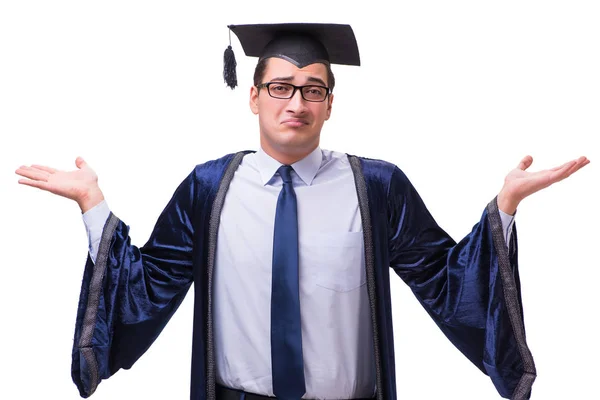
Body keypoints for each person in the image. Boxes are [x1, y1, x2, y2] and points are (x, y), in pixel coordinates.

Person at [15, 23, 589, 400]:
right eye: (282, 87)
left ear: (330, 104)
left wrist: (505, 207)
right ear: (254, 95)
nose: (297, 102)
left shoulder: (378, 187)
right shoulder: (209, 187)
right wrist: (94, 204)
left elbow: (446, 278)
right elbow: (149, 284)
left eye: (313, 90)